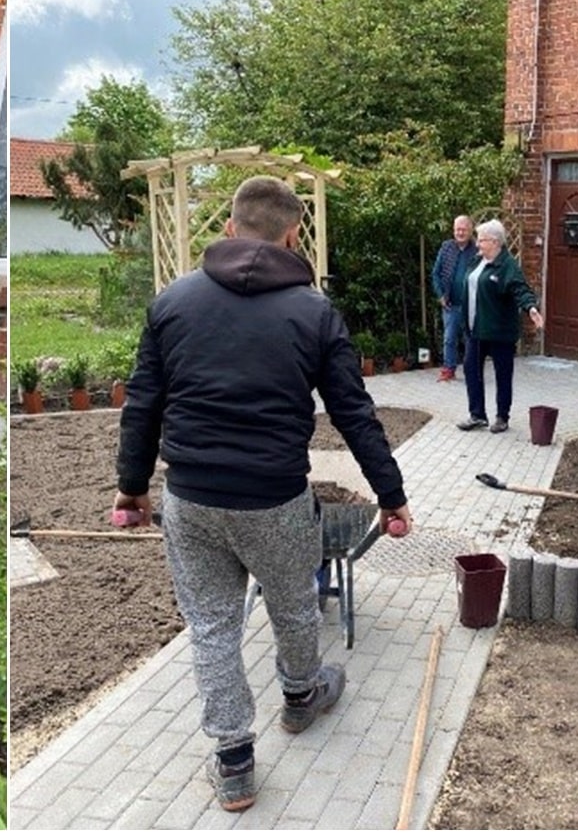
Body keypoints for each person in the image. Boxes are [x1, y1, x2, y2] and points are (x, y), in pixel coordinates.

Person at [113, 176, 412, 812]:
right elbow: (353, 413)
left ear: (228, 227)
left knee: (213, 627)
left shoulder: (174, 302)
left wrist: (132, 489)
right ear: (292, 235)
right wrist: (391, 496)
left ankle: (233, 763)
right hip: (275, 500)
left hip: (189, 499)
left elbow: (142, 404)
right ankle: (301, 698)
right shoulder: (313, 312)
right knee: (295, 607)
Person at [454, 219, 544, 433]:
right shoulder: (477, 262)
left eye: (481, 240)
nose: (477, 244)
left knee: (503, 374)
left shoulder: (507, 266)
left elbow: (520, 289)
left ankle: (502, 417)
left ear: (495, 242)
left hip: (499, 332)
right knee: (471, 370)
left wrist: (530, 308)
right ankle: (477, 415)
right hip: (476, 329)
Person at [430, 214, 477, 383]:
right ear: (453, 230)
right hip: (450, 303)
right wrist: (441, 295)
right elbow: (435, 274)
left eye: (464, 229)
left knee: (471, 340)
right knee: (449, 338)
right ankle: (449, 369)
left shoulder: (477, 250)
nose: (460, 232)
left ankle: (472, 370)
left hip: (471, 305)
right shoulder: (446, 247)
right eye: (457, 229)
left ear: (471, 230)